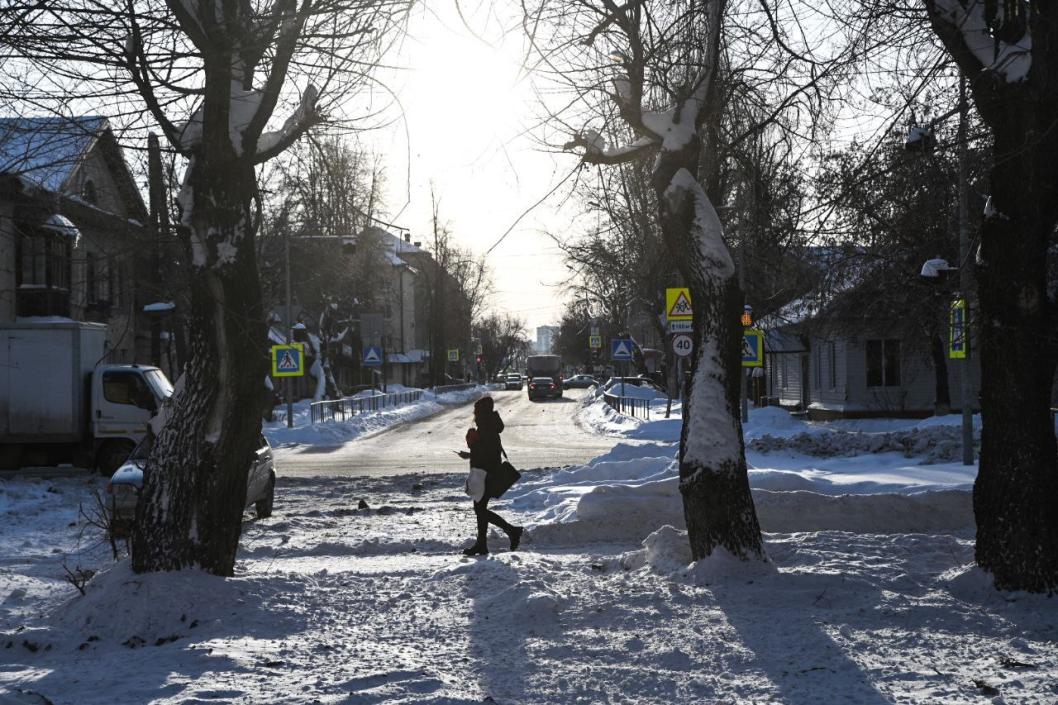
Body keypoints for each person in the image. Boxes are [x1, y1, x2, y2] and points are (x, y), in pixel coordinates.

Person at [457, 396, 523, 556]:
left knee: (480, 509)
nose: (474, 413)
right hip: (486, 472)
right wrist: (471, 452)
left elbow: (488, 453)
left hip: (485, 474)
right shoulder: (489, 425)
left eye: (476, 410)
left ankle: (511, 530)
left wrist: (473, 445)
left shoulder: (486, 427)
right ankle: (482, 545)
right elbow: (488, 450)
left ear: (482, 412)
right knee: (480, 509)